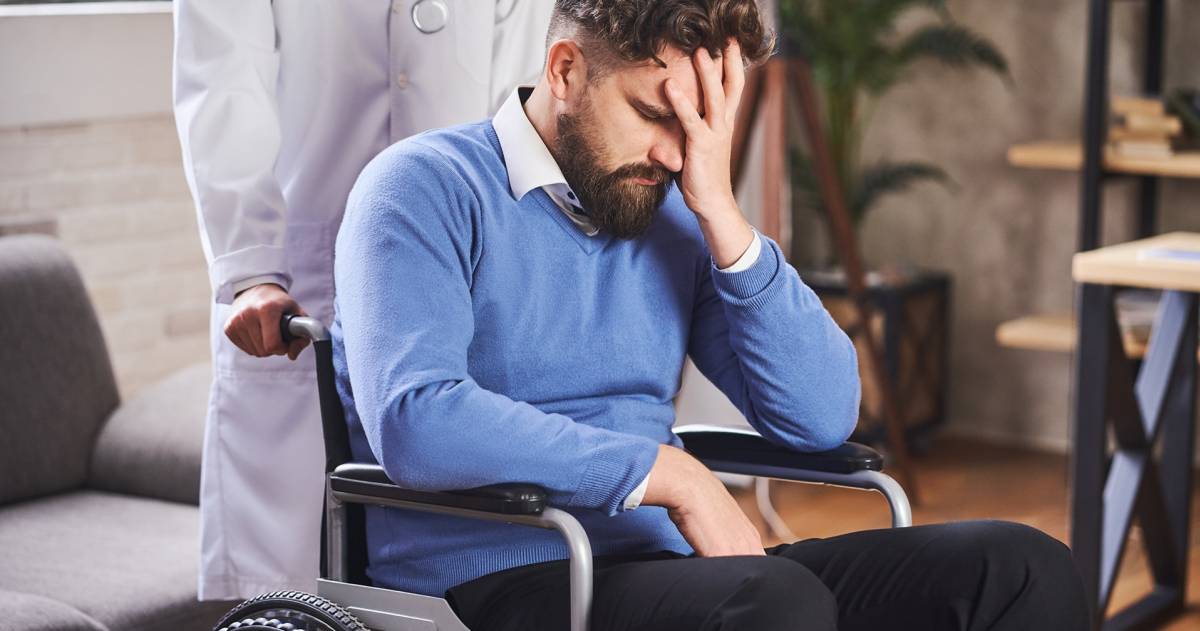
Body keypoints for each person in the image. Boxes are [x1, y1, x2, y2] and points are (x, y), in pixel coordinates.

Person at [331, 0, 1091, 628]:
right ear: (566, 70)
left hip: (672, 574)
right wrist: (670, 475)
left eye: (699, 125)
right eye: (655, 114)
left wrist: (724, 219)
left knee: (1024, 569)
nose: (673, 155)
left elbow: (823, 415)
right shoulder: (422, 188)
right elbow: (417, 418)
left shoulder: (677, 215)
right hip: (500, 581)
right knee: (778, 604)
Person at [172, 0, 555, 601]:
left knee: (443, 577)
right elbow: (224, 83)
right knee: (291, 590)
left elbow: (520, 99)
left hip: (459, 264)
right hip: (299, 284)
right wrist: (252, 270)